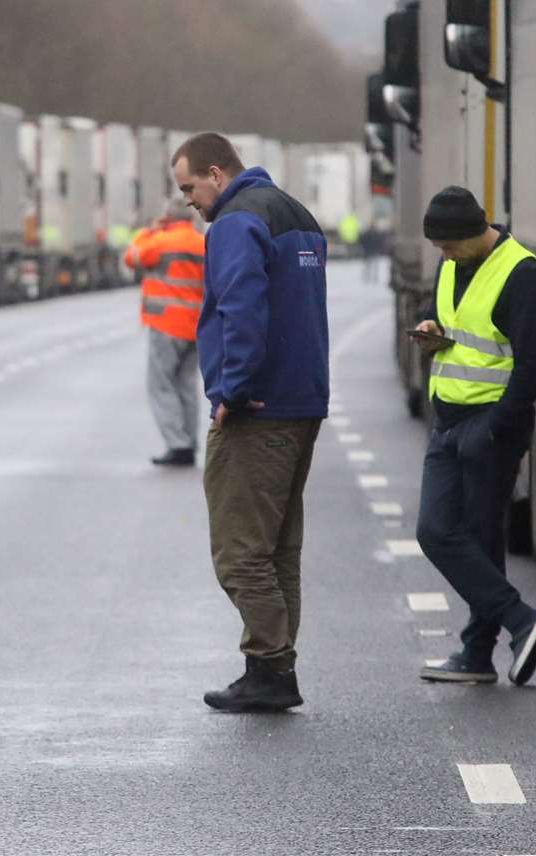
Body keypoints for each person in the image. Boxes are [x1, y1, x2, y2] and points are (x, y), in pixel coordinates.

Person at [170, 133, 328, 713]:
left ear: (216, 173)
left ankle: (268, 667)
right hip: (303, 400)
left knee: (240, 554)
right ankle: (274, 667)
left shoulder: (235, 221)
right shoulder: (294, 212)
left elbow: (241, 307)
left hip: (258, 409)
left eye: (190, 186)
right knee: (280, 550)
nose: (188, 200)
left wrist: (231, 391)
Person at [413, 186, 536, 687]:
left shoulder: (521, 274)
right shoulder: (452, 265)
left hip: (491, 426)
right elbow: (461, 332)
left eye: (448, 246)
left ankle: (477, 652)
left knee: (481, 535)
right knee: (435, 530)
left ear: (475, 233)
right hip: (448, 421)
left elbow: (534, 364)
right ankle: (519, 621)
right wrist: (434, 335)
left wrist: (495, 428)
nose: (443, 255)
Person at [123, 197, 206, 467]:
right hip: (195, 326)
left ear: (167, 218)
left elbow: (131, 256)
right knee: (186, 385)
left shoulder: (160, 242)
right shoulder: (202, 243)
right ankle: (190, 441)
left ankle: (177, 444)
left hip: (166, 325)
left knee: (161, 384)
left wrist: (150, 229)